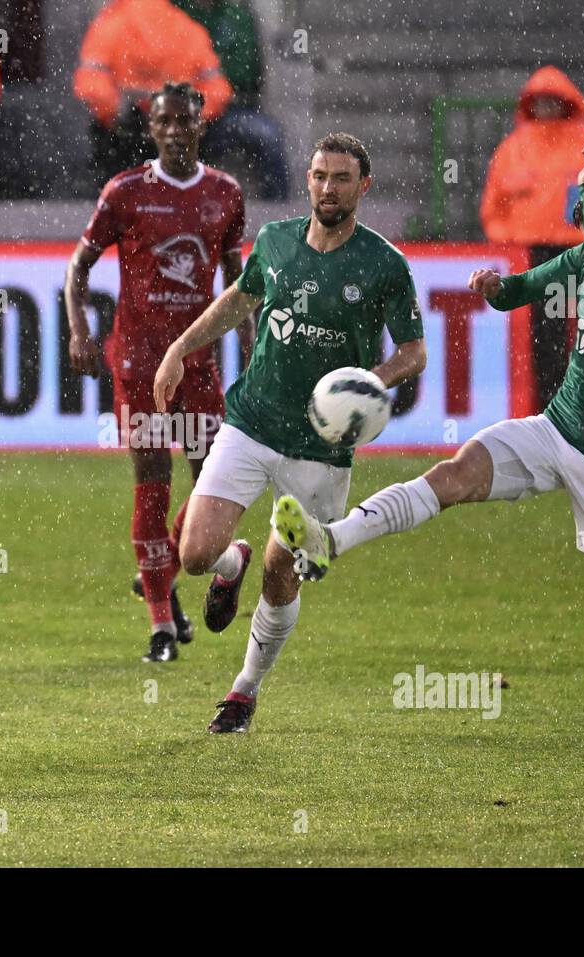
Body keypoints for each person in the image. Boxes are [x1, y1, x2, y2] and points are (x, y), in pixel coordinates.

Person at [276, 143, 584, 812]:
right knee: (456, 473)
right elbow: (532, 287)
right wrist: (495, 289)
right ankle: (331, 538)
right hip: (557, 429)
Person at [152, 132, 427, 728]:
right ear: (308, 180)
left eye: (342, 178)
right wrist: (180, 346)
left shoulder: (384, 264)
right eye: (319, 176)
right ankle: (232, 563)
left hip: (322, 449)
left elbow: (414, 352)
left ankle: (244, 689)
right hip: (252, 421)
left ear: (364, 186)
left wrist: (369, 382)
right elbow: (239, 299)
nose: (329, 188)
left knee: (284, 573)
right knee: (194, 553)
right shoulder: (275, 241)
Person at [65, 82, 250, 663]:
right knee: (152, 483)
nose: (174, 130)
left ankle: (164, 570)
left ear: (201, 125)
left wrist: (246, 348)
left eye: (184, 121)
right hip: (139, 365)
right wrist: (79, 331)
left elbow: (237, 282)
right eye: (163, 122)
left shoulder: (225, 193)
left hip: (198, 364)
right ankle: (162, 626)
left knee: (210, 486)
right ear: (151, 129)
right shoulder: (125, 193)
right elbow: (79, 268)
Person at [480, 66, 584, 412]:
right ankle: (550, 406)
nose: (546, 108)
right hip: (536, 254)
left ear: (567, 103)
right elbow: (493, 208)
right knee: (545, 336)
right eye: (540, 102)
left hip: (582, 251)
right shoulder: (513, 148)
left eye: (553, 101)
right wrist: (514, 241)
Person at [72, 0, 233, 189]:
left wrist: (116, 115)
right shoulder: (186, 27)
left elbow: (91, 84)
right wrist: (188, 118)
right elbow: (218, 90)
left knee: (121, 194)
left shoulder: (110, 25)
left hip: (124, 140)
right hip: (178, 140)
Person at [174, 0, 289, 199]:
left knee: (268, 136)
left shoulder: (236, 16)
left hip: (231, 109)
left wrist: (209, 80)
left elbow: (245, 71)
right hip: (179, 109)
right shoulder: (172, 12)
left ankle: (280, 218)